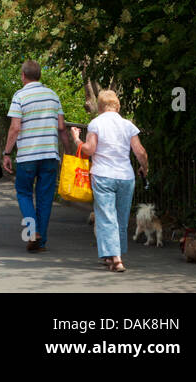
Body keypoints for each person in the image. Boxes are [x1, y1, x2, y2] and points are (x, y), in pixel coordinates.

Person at [72, 90, 148, 272]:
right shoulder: (127, 125)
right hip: (126, 177)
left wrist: (76, 139)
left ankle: (115, 258)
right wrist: (144, 168)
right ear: (118, 105)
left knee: (106, 218)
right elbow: (140, 152)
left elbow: (89, 150)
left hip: (103, 175)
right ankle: (112, 256)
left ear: (99, 107)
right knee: (120, 219)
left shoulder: (96, 123)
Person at [2, 60, 74, 252]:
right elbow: (61, 128)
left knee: (24, 193)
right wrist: (68, 152)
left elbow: (15, 128)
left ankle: (32, 231)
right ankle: (40, 242)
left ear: (23, 76)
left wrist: (7, 153)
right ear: (39, 76)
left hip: (27, 156)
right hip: (50, 154)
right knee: (44, 198)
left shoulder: (20, 96)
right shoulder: (53, 96)